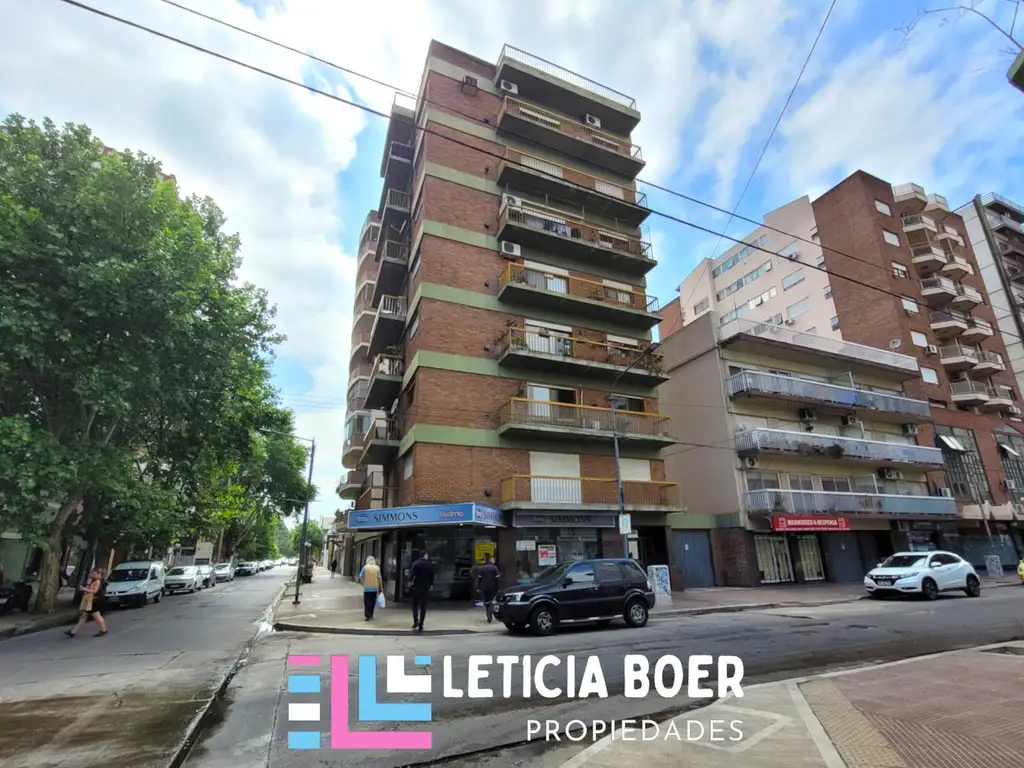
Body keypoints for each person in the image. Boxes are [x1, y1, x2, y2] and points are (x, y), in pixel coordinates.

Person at [67, 568, 107, 637]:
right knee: (84, 617)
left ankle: (104, 630)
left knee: (96, 616)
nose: (92, 575)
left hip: (94, 601)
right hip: (92, 600)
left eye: (94, 574)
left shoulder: (98, 581)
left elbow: (95, 591)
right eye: (92, 574)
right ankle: (73, 632)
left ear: (99, 574)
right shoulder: (98, 580)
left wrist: (85, 589)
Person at [408, 550, 434, 632]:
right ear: (425, 555)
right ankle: (421, 624)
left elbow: (412, 575)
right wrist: (431, 584)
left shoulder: (415, 563)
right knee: (423, 606)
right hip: (425, 587)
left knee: (414, 604)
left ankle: (415, 621)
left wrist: (410, 582)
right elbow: (431, 576)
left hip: (416, 586)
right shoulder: (429, 564)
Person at [476, 554, 500, 623]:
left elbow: (479, 579)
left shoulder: (482, 568)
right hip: (493, 587)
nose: (494, 560)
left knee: (486, 601)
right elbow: (497, 579)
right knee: (492, 601)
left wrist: (478, 587)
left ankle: (487, 612)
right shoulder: (495, 568)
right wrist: (498, 588)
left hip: (484, 587)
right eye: (493, 559)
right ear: (491, 560)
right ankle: (489, 613)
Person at [358, 556, 382, 621]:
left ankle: (367, 616)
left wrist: (363, 582)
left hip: (367, 589)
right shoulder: (377, 568)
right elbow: (379, 578)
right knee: (372, 602)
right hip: (374, 588)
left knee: (367, 602)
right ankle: (371, 614)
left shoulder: (365, 568)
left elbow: (360, 576)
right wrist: (381, 587)